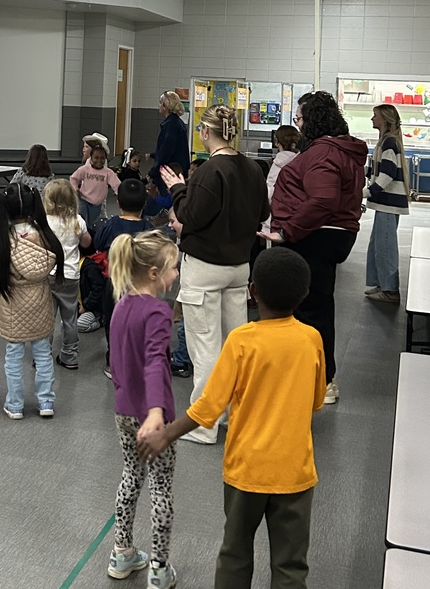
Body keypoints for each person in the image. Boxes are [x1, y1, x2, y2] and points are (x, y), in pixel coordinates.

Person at [139, 248, 326, 589]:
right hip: (295, 473)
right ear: (305, 294)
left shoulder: (241, 341)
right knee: (291, 564)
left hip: (246, 471)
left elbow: (210, 406)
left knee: (235, 553)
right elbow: (316, 401)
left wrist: (167, 434)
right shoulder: (311, 339)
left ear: (253, 291)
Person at [161, 104, 269, 444]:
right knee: (231, 345)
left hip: (205, 268)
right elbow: (263, 211)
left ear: (206, 132)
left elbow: (190, 216)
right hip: (238, 268)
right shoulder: (252, 168)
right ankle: (229, 414)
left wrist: (179, 189)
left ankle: (203, 424)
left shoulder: (209, 171)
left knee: (205, 346)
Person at [259, 91, 367, 405]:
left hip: (317, 235)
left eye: (300, 118)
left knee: (312, 309)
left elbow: (323, 199)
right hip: (331, 233)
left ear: (313, 119)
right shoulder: (341, 149)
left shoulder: (324, 152)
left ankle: (322, 379)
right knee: (315, 305)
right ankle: (313, 375)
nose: (297, 124)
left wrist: (287, 231)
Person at [107, 229, 179, 589]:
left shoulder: (121, 305)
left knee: (131, 475)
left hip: (122, 410)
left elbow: (117, 359)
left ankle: (121, 552)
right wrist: (154, 411)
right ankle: (159, 569)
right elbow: (154, 362)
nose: (175, 274)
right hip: (154, 416)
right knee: (161, 487)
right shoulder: (157, 312)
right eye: (172, 268)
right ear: (153, 273)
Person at [0, 183, 65, 419]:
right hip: (40, 302)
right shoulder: (45, 236)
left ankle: (15, 405)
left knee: (14, 358)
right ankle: (46, 402)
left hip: (12, 304)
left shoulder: (2, 240)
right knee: (43, 355)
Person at [94, 177, 150, 379]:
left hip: (115, 282)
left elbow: (98, 244)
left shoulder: (110, 225)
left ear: (118, 203)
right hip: (141, 285)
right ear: (144, 204)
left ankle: (114, 362)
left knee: (113, 322)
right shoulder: (148, 228)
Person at [364, 103, 410, 304]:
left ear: (384, 119)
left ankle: (390, 290)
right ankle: (382, 284)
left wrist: (367, 192)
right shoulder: (386, 141)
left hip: (388, 203)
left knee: (385, 246)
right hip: (385, 203)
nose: (372, 118)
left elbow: (387, 174)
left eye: (375, 115)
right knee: (377, 244)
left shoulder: (389, 142)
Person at [43, 179, 91, 370]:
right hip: (71, 275)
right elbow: (87, 243)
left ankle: (42, 356)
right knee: (69, 319)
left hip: (48, 274)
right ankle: (69, 356)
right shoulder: (77, 220)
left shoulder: (44, 221)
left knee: (46, 318)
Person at [147, 91, 190, 194]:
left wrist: (153, 172)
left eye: (160, 102)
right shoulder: (176, 122)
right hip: (177, 169)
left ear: (165, 106)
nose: (158, 105)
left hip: (170, 171)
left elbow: (166, 150)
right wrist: (153, 155)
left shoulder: (170, 125)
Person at [70, 144, 120, 229]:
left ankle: (89, 234)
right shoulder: (85, 169)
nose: (99, 160)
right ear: (91, 158)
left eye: (102, 158)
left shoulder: (108, 173)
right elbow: (73, 178)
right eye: (96, 158)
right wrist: (75, 189)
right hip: (83, 199)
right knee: (81, 220)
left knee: (91, 223)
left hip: (97, 204)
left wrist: (120, 196)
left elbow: (117, 185)